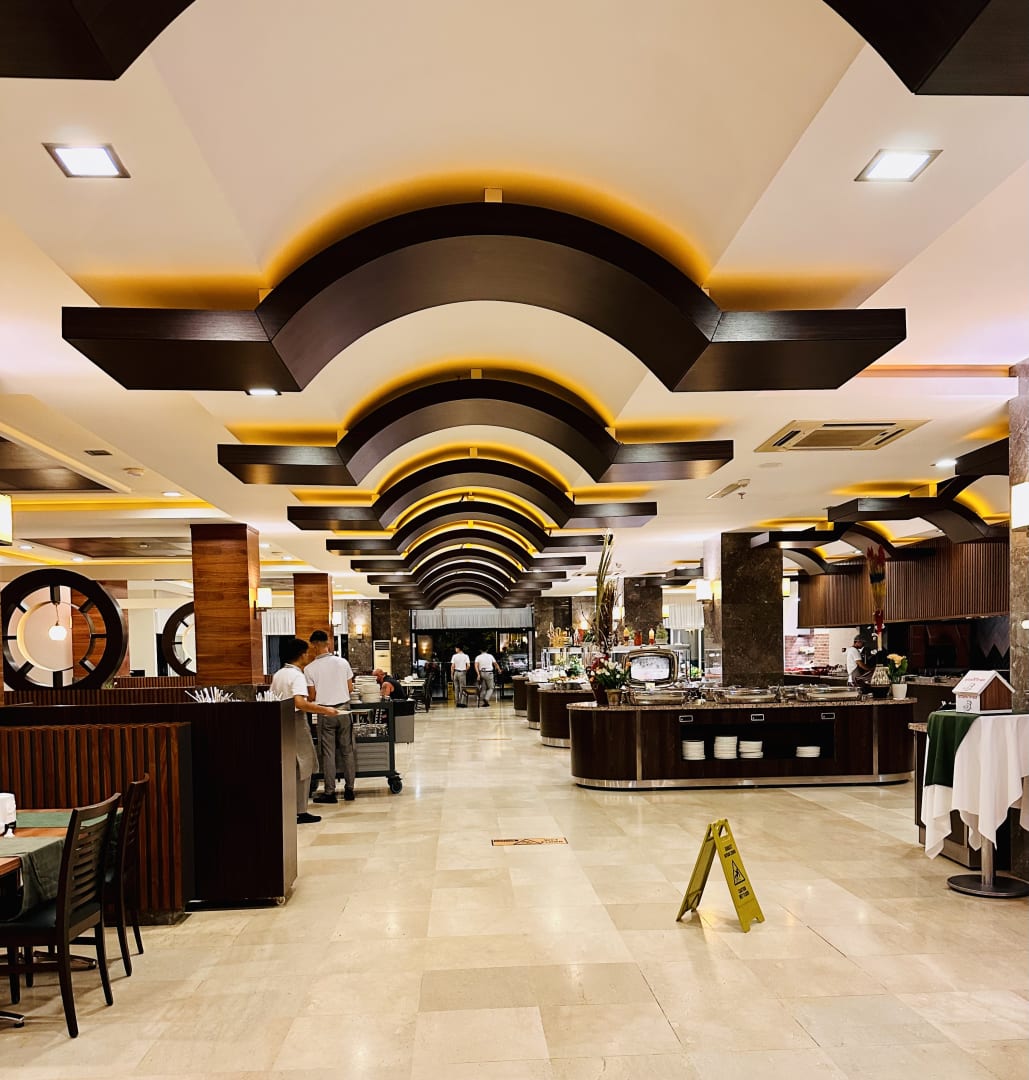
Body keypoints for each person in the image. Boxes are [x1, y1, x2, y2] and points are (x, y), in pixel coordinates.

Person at [270, 637, 342, 824]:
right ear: (301, 655)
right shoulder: (297, 676)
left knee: (289, 766)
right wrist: (325, 710)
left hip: (280, 722)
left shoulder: (279, 675)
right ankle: (300, 810)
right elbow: (300, 703)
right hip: (295, 721)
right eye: (307, 653)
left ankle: (288, 808)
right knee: (305, 763)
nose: (308, 656)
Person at [306, 629, 356, 804]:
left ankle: (330, 792)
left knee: (328, 753)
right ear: (328, 643)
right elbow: (350, 688)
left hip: (325, 713)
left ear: (314, 646)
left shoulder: (309, 669)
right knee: (347, 751)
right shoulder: (343, 663)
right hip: (344, 710)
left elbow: (312, 696)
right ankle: (349, 790)